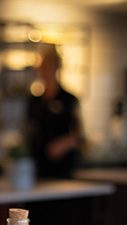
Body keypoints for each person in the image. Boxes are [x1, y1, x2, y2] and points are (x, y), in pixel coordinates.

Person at [26, 47, 84, 178]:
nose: (45, 72)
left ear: (57, 68)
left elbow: (80, 136)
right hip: (39, 165)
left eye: (49, 67)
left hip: (62, 167)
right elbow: (29, 130)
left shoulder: (69, 99)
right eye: (43, 68)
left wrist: (64, 144)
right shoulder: (34, 101)